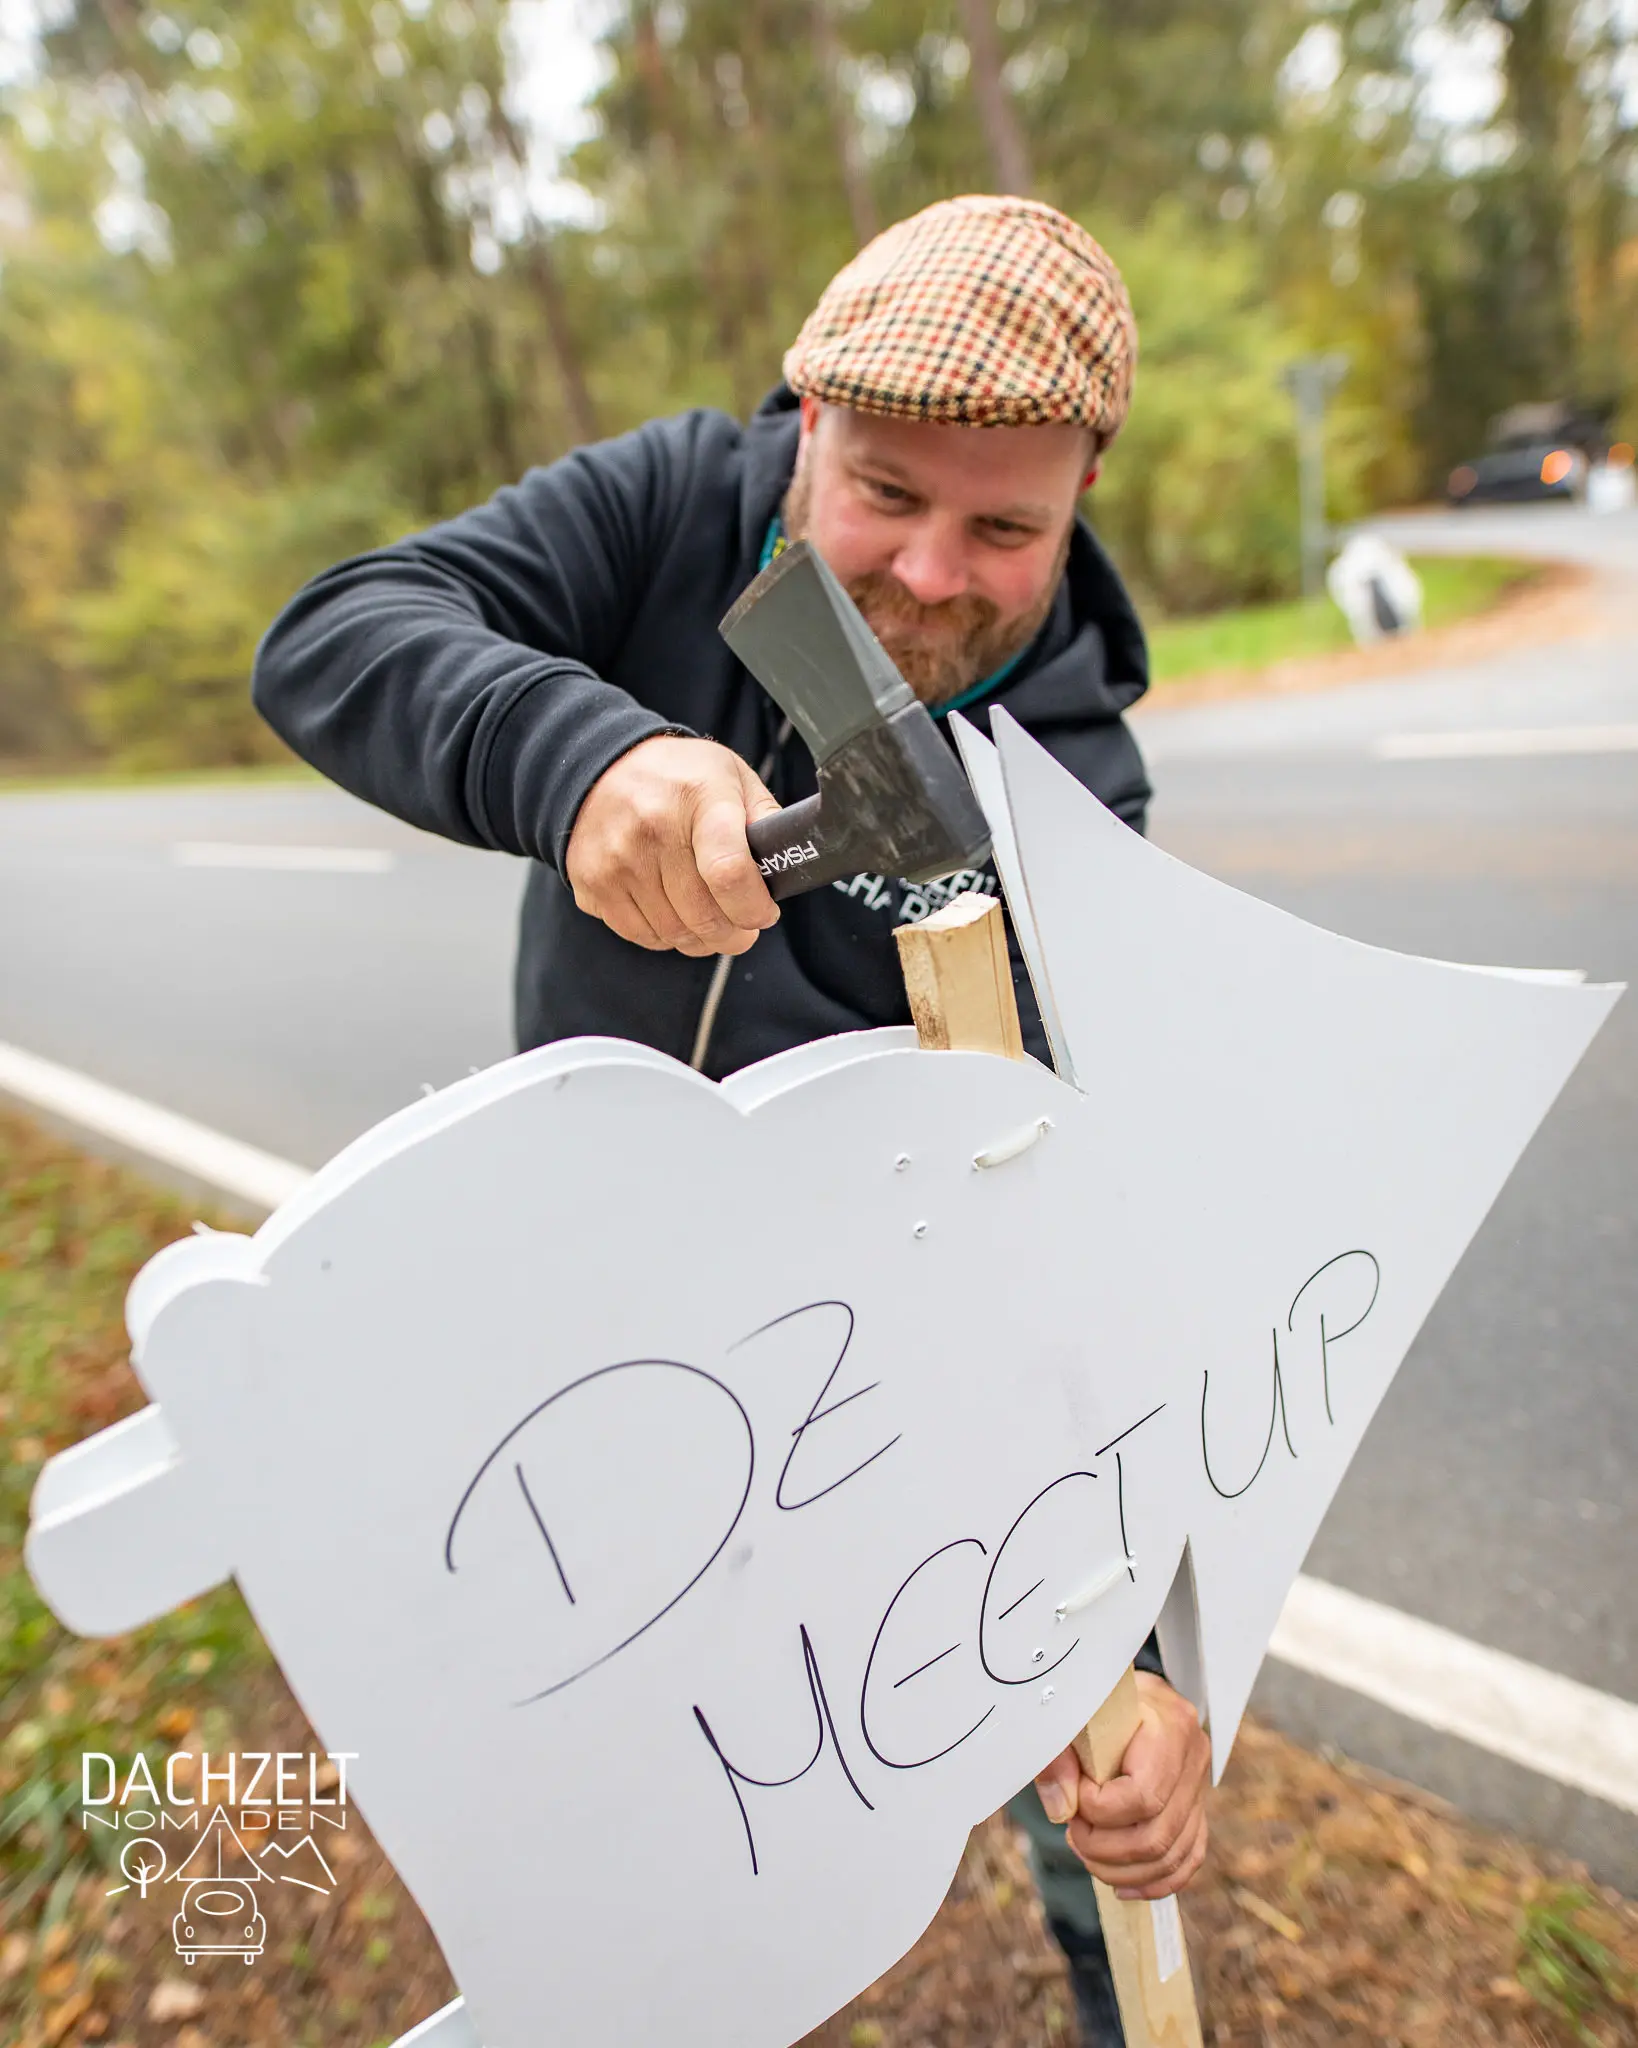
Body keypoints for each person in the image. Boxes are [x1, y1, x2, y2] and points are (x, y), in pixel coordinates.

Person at [252, 192, 1211, 2045]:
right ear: (801, 422)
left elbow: (1049, 1253)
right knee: (619, 1807)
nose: (929, 575)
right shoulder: (673, 510)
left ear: (1088, 482)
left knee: (1083, 1794)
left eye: (1005, 525)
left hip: (877, 1371)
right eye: (878, 494)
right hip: (589, 1346)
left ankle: (1100, 1964)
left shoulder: (1072, 791)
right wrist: (577, 750)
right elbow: (337, 633)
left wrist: (1122, 1664)